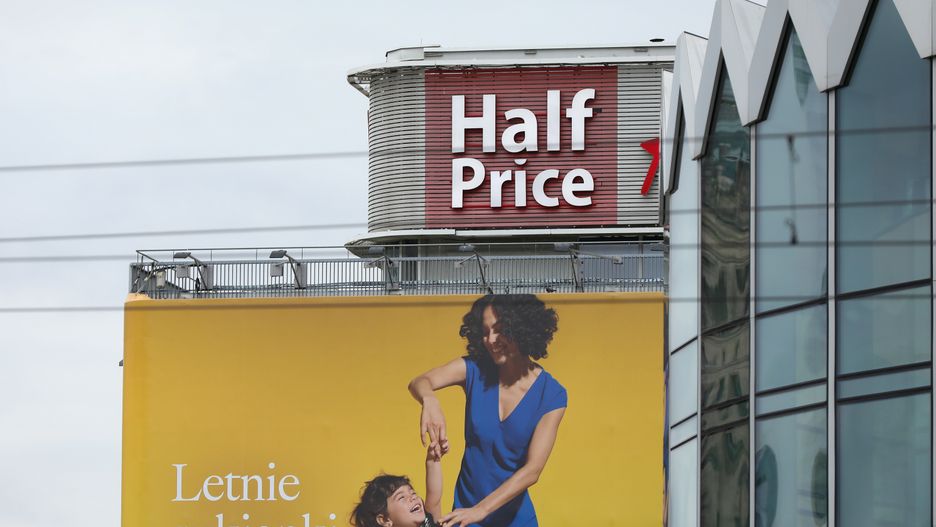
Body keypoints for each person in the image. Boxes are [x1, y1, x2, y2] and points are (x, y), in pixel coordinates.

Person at [408, 294, 567, 527]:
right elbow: (419, 381)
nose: (490, 339)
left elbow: (533, 470)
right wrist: (429, 400)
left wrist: (480, 510)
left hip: (515, 520)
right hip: (465, 516)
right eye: (484, 331)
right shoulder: (473, 369)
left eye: (500, 329)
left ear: (522, 329)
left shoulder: (552, 394)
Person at [351, 440, 450, 527]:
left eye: (413, 493)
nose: (413, 497)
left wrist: (432, 460)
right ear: (385, 520)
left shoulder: (427, 524)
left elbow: (434, 498)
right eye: (401, 497)